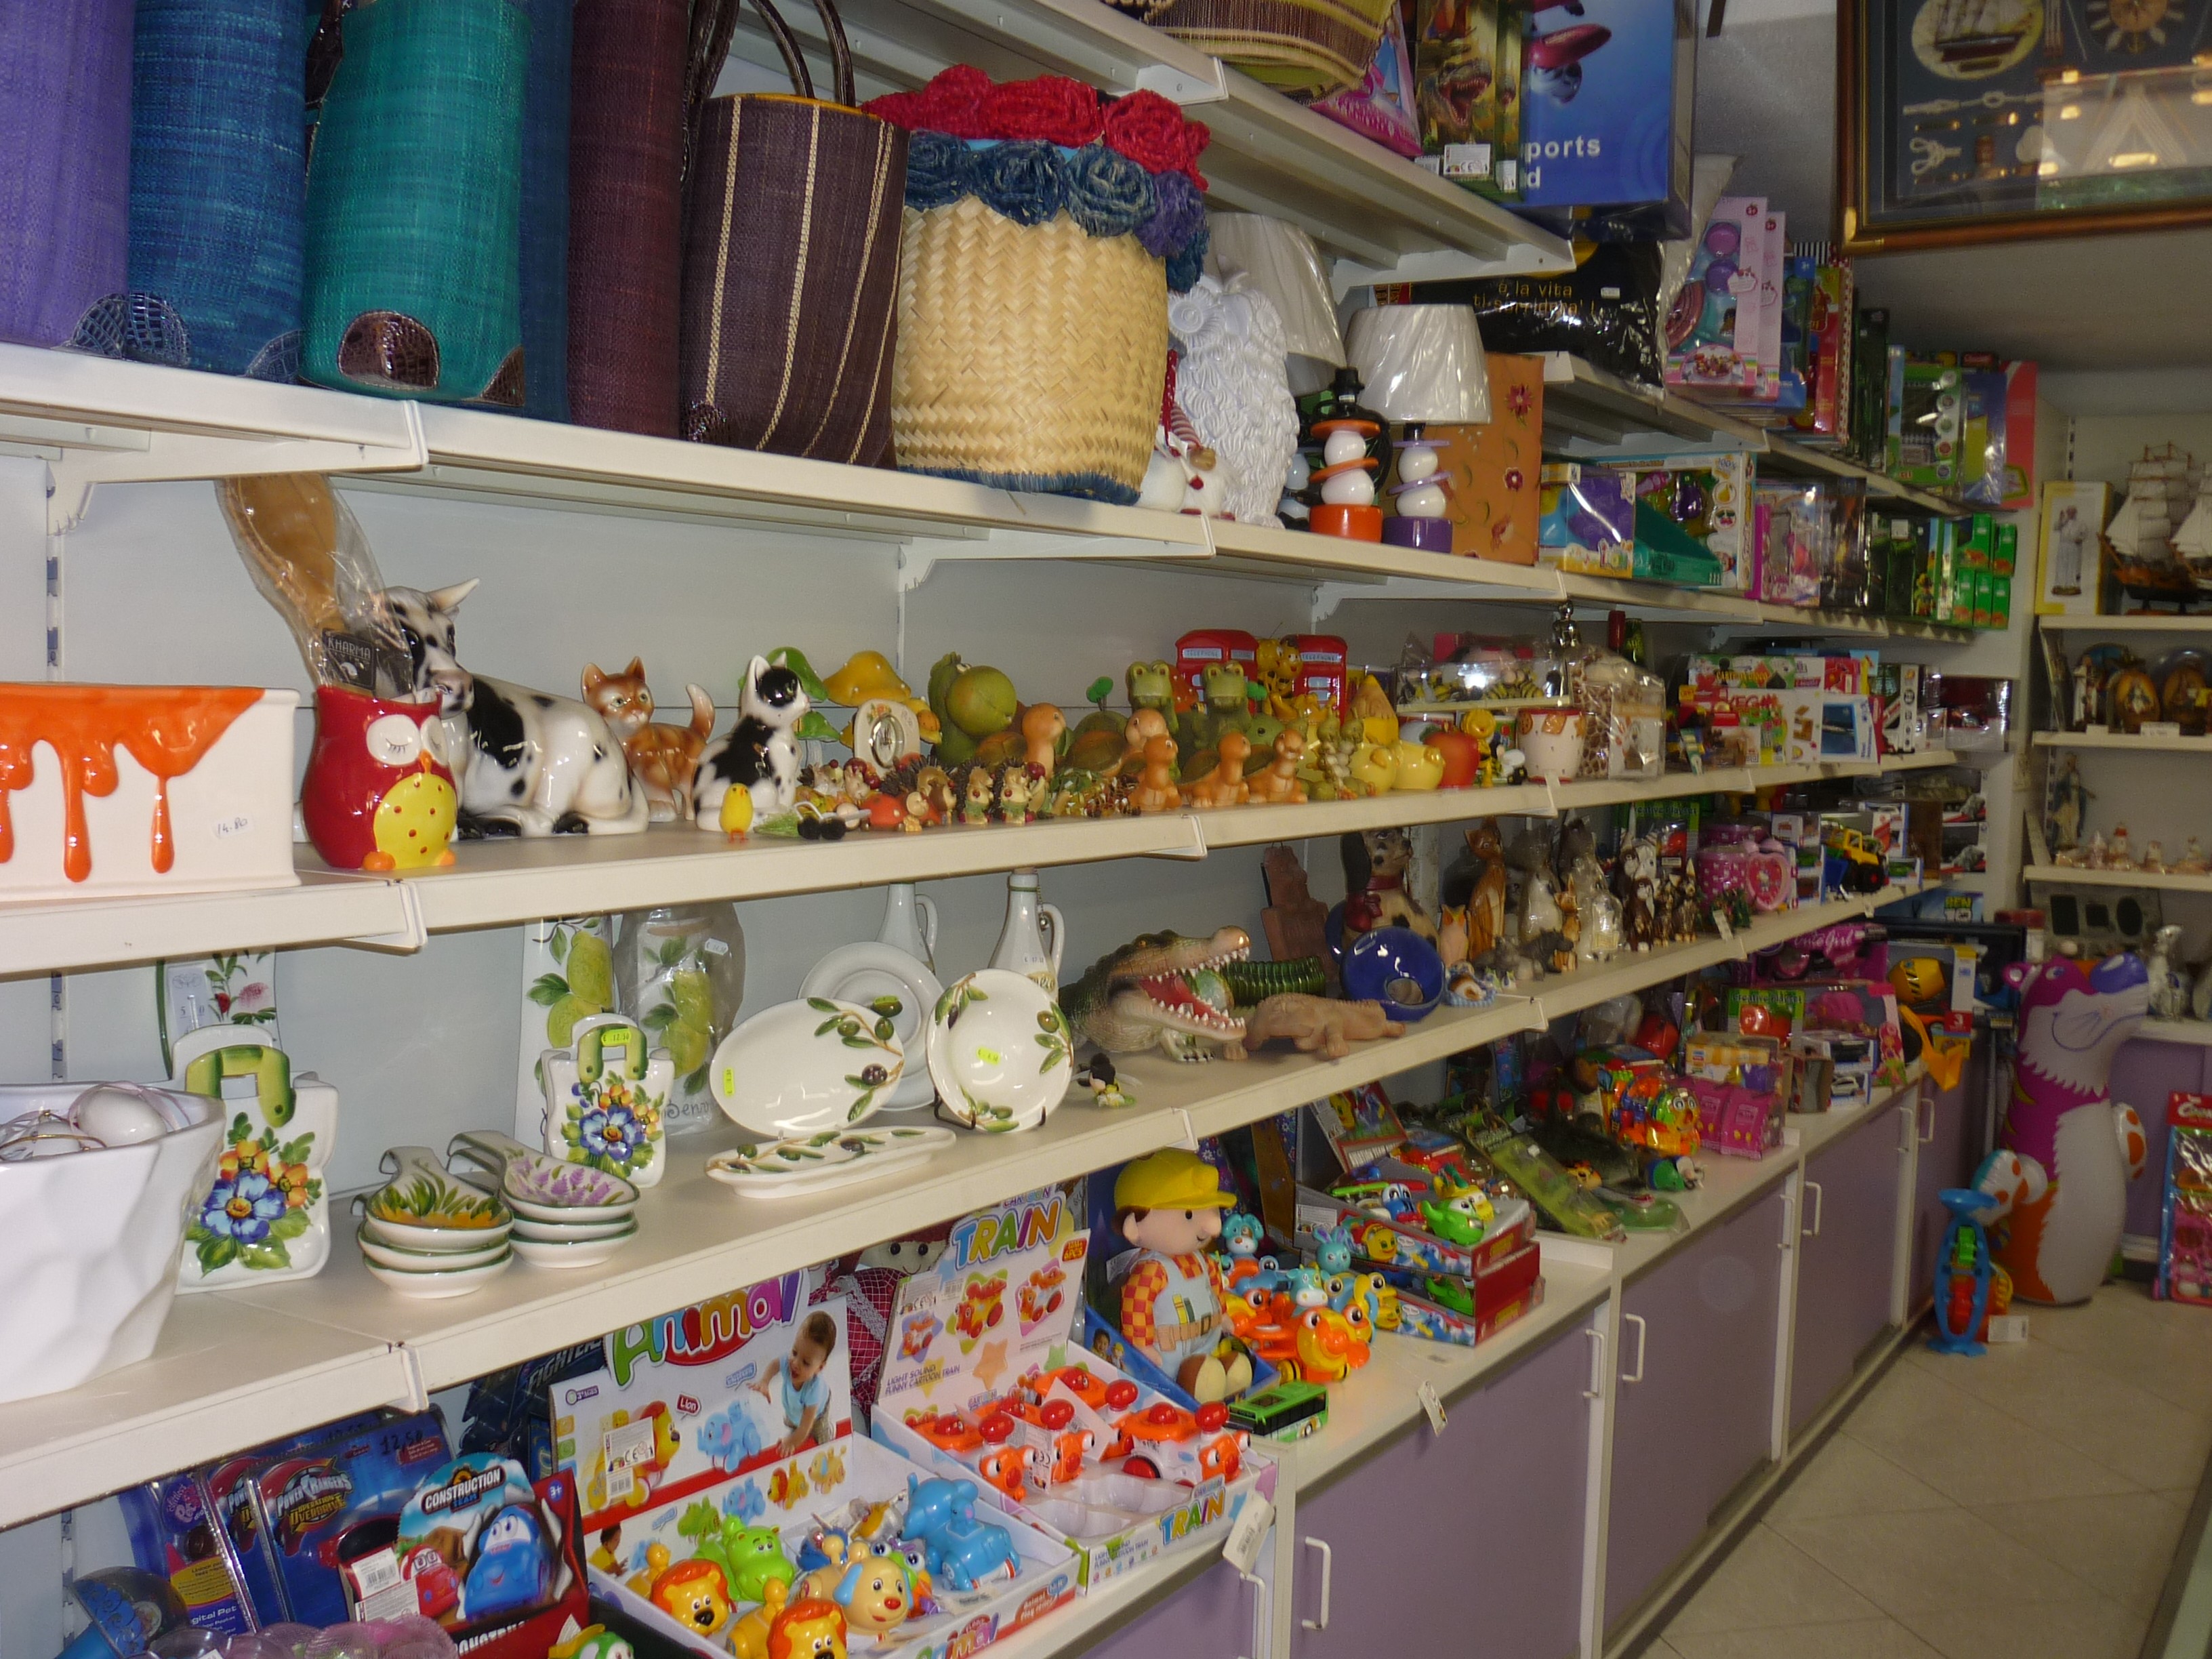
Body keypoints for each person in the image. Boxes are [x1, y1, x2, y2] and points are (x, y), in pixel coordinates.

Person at [754, 1311, 838, 1455]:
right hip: (794, 1408)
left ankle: (829, 1429)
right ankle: (794, 1423)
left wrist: (792, 1442)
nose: (796, 1363)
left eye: (806, 1362)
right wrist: (765, 1382)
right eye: (794, 1352)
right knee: (793, 1420)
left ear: (820, 1368)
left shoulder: (814, 1389)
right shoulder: (790, 1363)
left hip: (817, 1415)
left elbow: (806, 1427)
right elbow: (775, 1365)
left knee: (820, 1435)